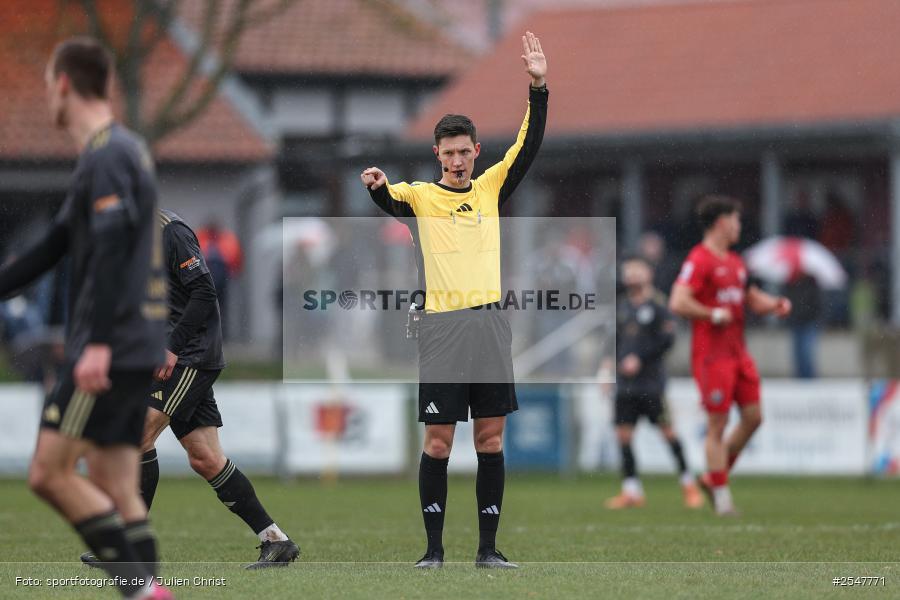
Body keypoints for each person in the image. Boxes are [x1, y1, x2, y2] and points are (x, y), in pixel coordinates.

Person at [359, 31, 548, 569]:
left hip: (490, 326)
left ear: (475, 152)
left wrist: (538, 86)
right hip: (442, 328)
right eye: (449, 154)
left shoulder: (490, 188)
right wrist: (375, 186)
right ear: (436, 155)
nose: (458, 161)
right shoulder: (421, 196)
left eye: (465, 152)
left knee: (490, 440)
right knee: (439, 443)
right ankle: (433, 552)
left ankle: (488, 551)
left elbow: (528, 146)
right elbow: (390, 198)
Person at [0, 37, 171, 598]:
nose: (48, 94)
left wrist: (97, 343)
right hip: (132, 343)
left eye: (50, 83)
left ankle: (140, 591)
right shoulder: (114, 153)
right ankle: (149, 590)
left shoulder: (108, 155)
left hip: (109, 346)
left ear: (65, 84)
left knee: (48, 474)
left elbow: (115, 245)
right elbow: (52, 247)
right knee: (118, 489)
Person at [81, 209, 299, 570]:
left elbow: (204, 291)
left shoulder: (171, 232)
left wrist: (172, 345)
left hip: (189, 355)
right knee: (206, 458)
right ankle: (275, 540)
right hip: (169, 355)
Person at [669, 196, 792, 516]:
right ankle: (722, 500)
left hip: (739, 353)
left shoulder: (736, 262)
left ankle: (713, 476)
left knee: (753, 418)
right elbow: (678, 301)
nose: (739, 226)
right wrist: (711, 314)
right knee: (717, 424)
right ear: (722, 222)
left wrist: (776, 304)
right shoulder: (700, 259)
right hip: (712, 356)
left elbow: (751, 298)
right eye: (736, 220)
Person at [603, 256, 703, 510]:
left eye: (637, 271)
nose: (631, 276)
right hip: (625, 384)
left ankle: (688, 485)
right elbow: (613, 342)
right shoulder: (622, 307)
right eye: (628, 271)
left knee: (667, 432)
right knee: (623, 435)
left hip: (650, 383)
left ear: (648, 274)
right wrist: (606, 369)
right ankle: (631, 490)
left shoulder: (659, 305)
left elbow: (667, 340)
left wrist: (640, 358)